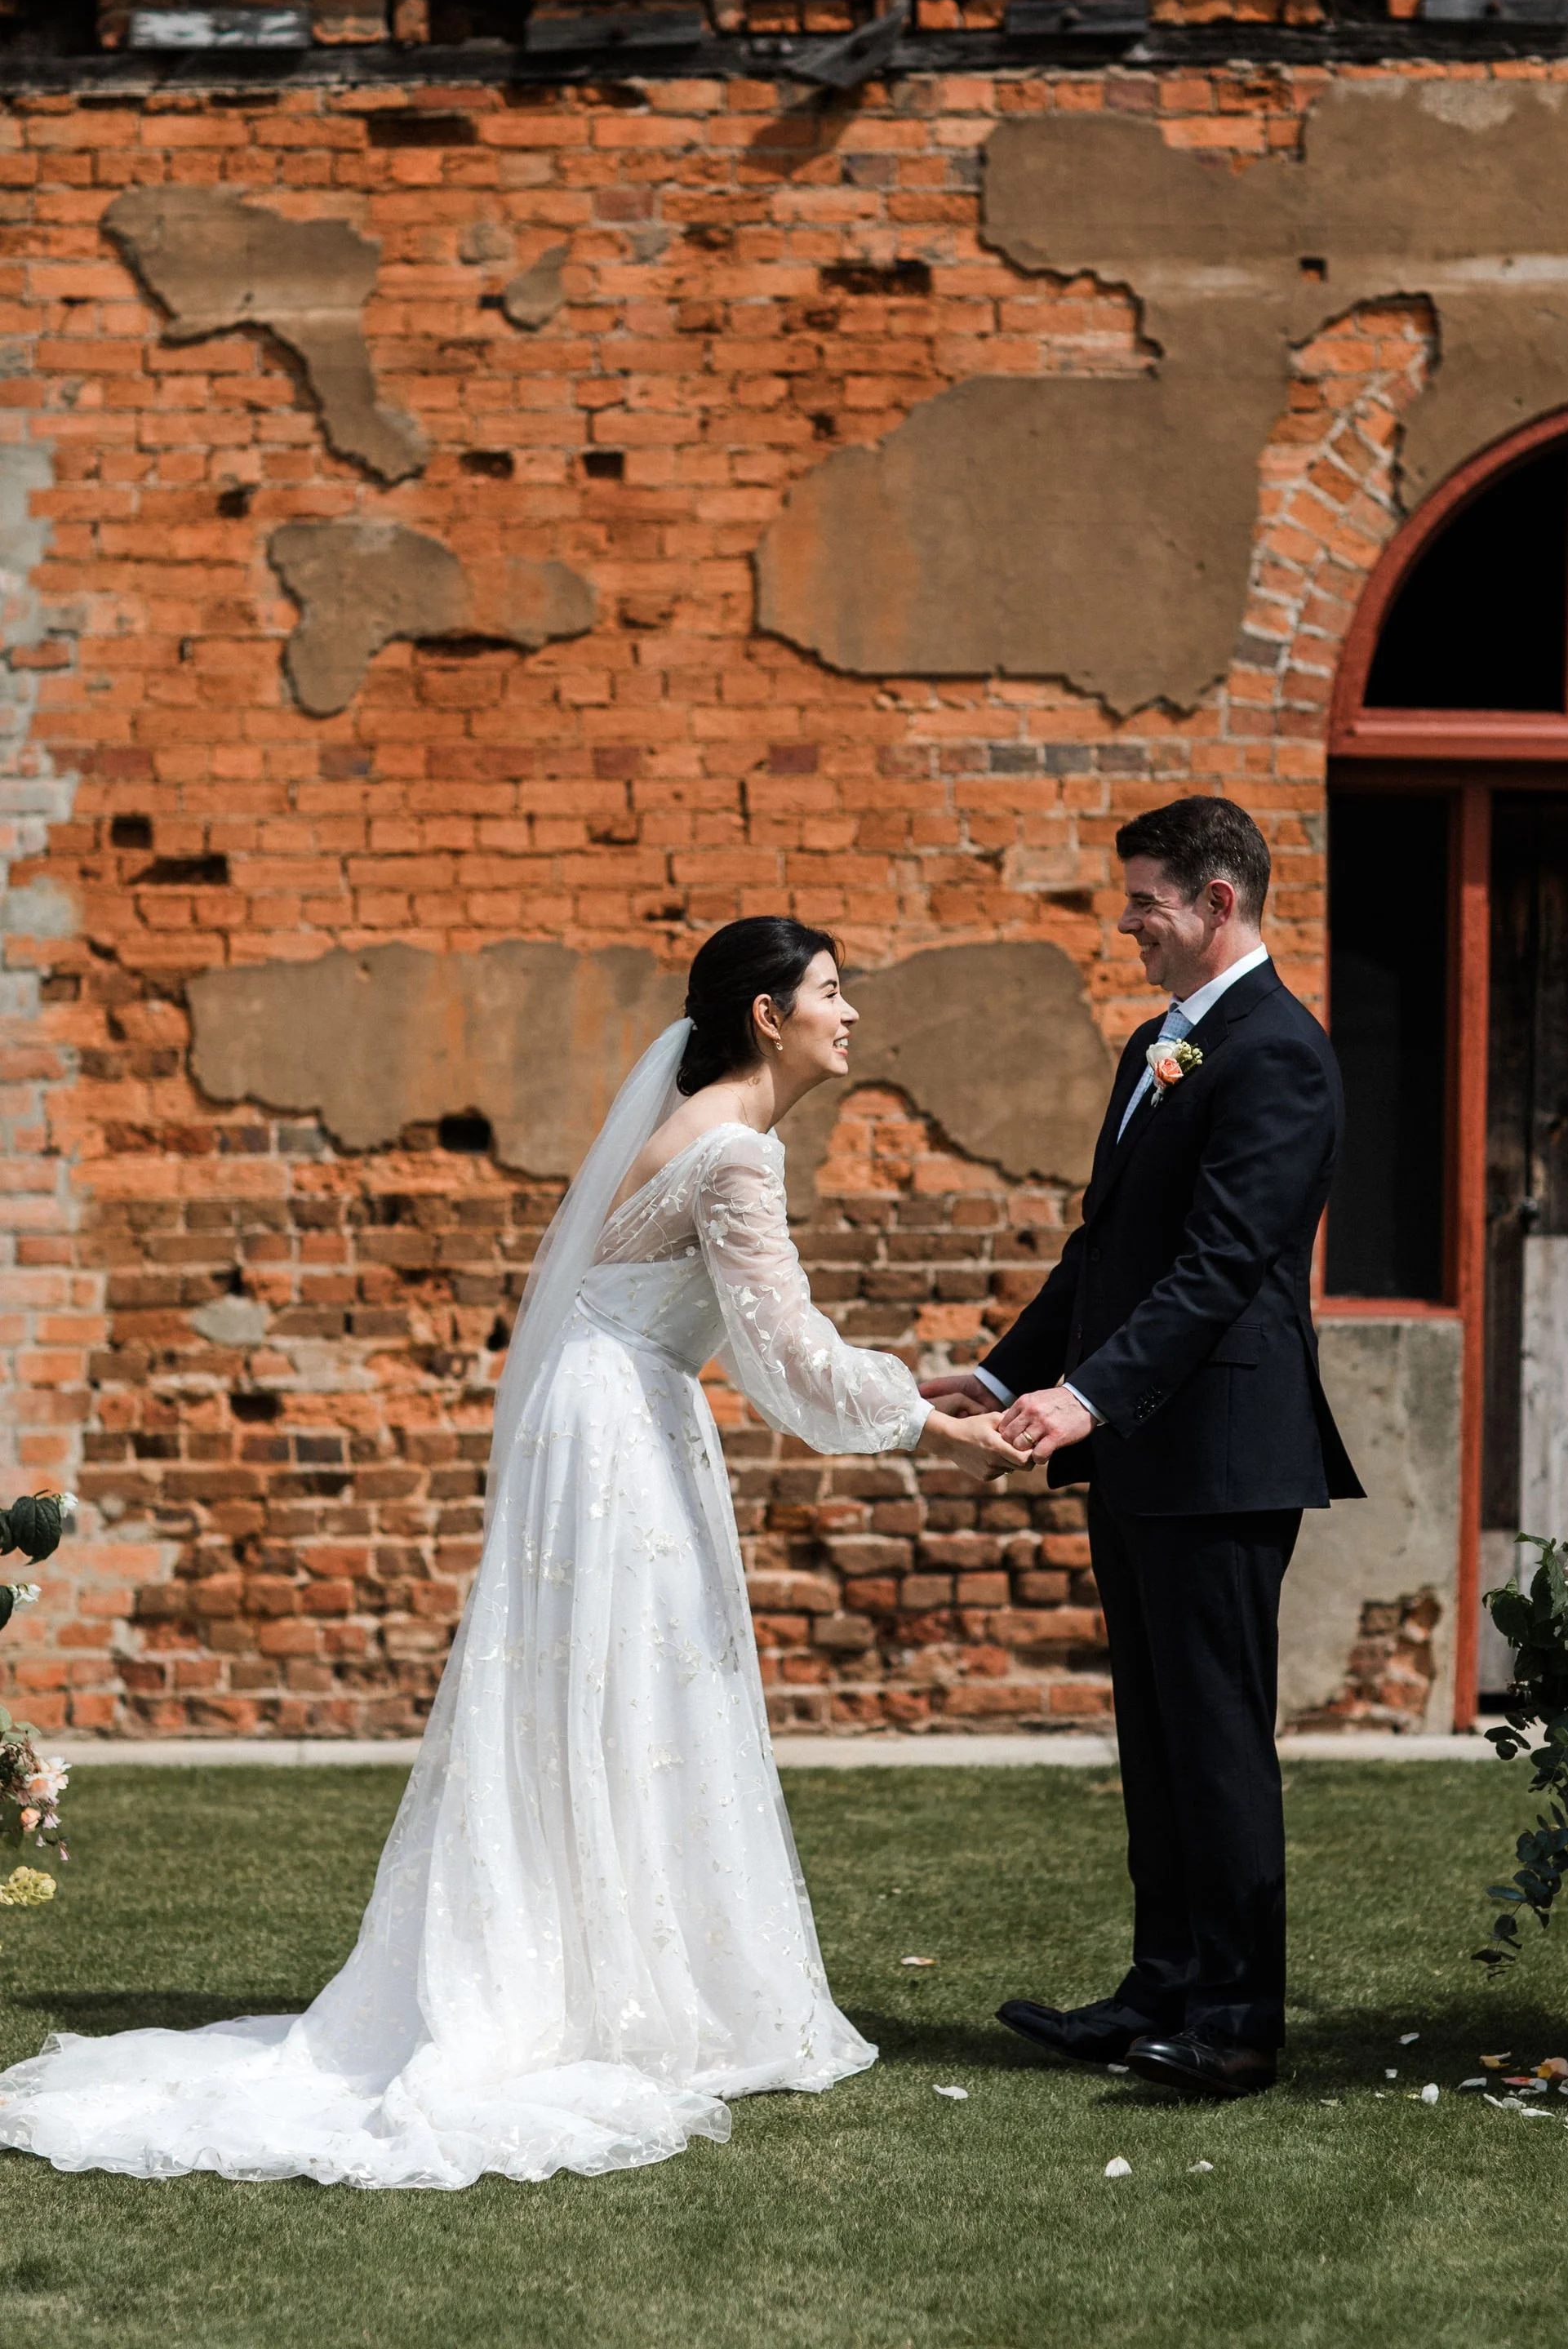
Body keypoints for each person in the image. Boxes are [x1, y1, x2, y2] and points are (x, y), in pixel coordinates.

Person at [0, 918, 1025, 2188]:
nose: (851, 1012)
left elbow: (761, 1345)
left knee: (600, 1694)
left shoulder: (700, 1134)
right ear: (769, 1017)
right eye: (830, 991)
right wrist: (932, 1428)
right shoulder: (737, 1157)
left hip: (599, 1415)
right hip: (621, 1432)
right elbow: (795, 1358)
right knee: (636, 1690)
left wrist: (902, 1388)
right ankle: (604, 1997)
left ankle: (594, 1968)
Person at [924, 797, 1363, 2101]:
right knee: (1159, 1733)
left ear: (1218, 903)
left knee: (1218, 1734)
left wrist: (1087, 1398)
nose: (1130, 928)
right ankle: (1160, 1988)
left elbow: (1222, 1265)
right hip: (1142, 1449)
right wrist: (1009, 1370)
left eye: (1147, 904)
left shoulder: (1280, 1052)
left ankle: (1235, 2022)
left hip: (1223, 1444)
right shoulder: (1154, 1050)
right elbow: (1106, 1252)